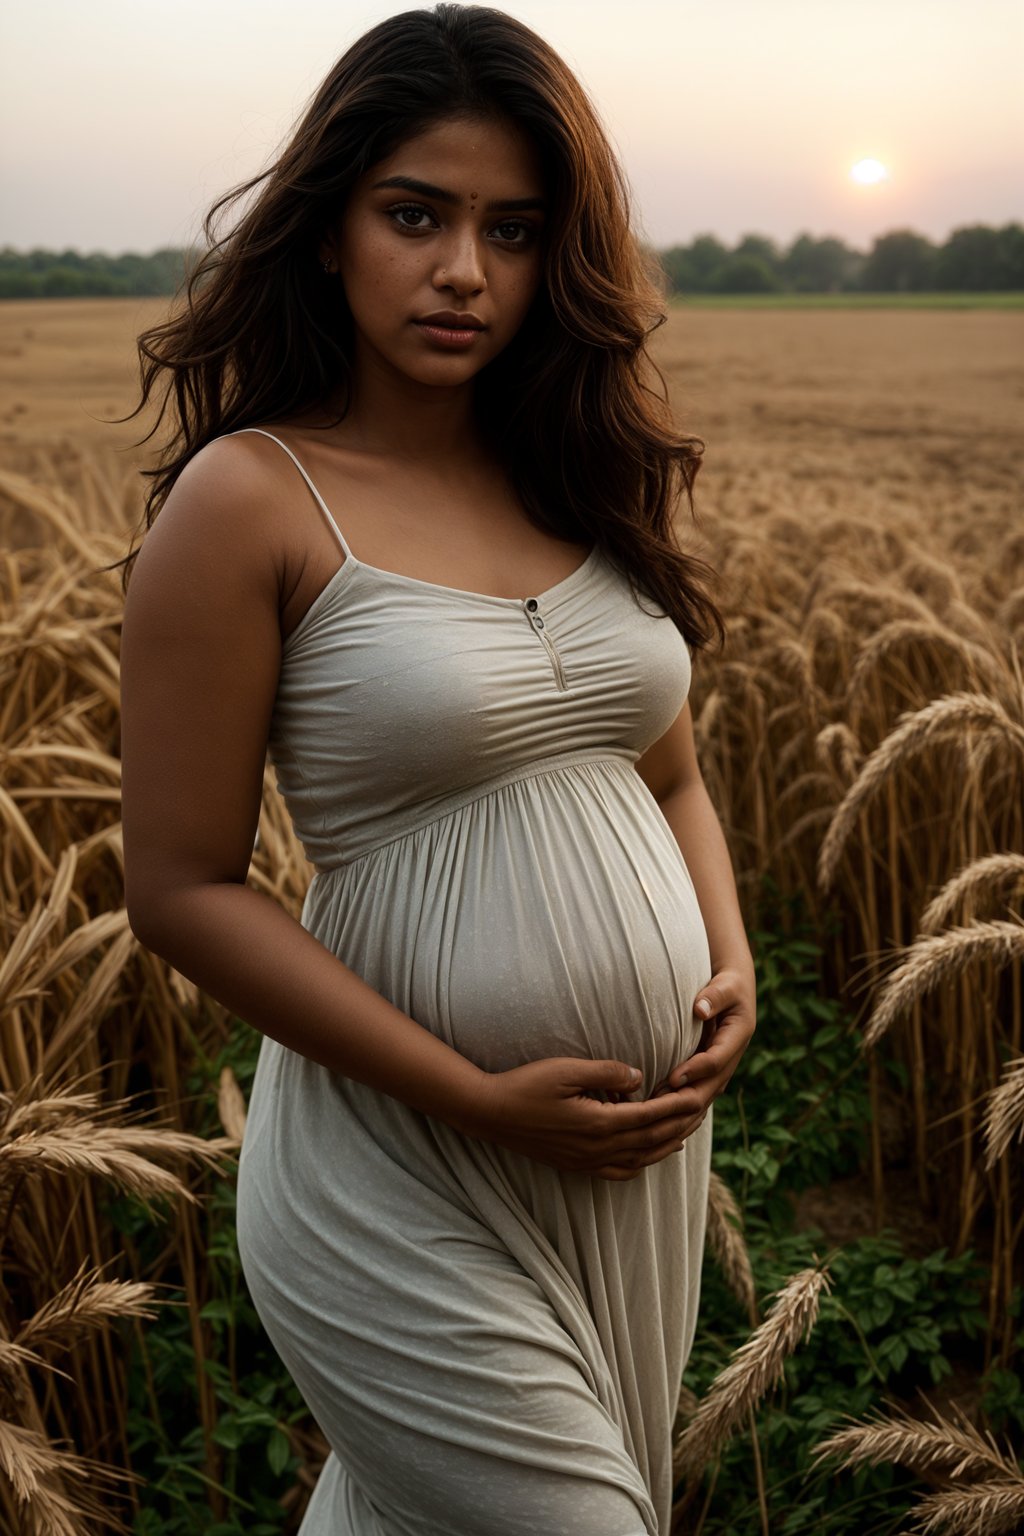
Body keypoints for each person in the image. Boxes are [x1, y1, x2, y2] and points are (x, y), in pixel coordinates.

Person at [117, 5, 756, 1532]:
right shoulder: (251, 499)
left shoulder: (573, 472)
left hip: (624, 1164)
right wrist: (477, 1096)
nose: (464, 269)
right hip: (397, 1169)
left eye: (513, 230)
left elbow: (665, 775)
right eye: (417, 215)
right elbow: (181, 889)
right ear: (330, 229)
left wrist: (730, 962)